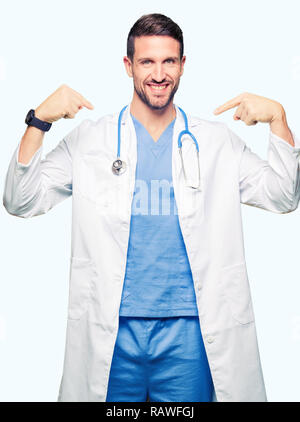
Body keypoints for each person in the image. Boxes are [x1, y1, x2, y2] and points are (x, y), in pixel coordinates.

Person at [3, 13, 300, 402]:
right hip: (112, 332)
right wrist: (39, 120)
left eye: (169, 61)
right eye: (147, 61)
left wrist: (278, 120)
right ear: (128, 66)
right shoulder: (91, 141)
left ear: (182, 65)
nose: (159, 74)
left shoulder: (215, 142)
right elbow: (19, 199)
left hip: (190, 333)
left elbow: (283, 195)